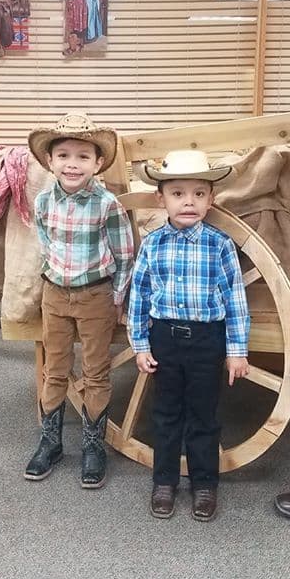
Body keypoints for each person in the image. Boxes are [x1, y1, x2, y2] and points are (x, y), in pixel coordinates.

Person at [127, 149, 250, 522]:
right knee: (164, 414)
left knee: (203, 415)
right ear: (160, 198)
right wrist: (140, 344)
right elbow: (140, 295)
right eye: (178, 193)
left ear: (211, 199)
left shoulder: (220, 245)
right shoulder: (152, 244)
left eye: (199, 193)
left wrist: (237, 351)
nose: (188, 202)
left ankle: (204, 485)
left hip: (206, 340)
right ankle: (163, 481)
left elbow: (235, 299)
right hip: (164, 338)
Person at [24, 112, 135, 488]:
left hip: (95, 296)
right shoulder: (43, 202)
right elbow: (45, 242)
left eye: (83, 156)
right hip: (54, 295)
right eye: (64, 155)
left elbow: (124, 255)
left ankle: (93, 446)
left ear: (98, 162)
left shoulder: (107, 205)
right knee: (54, 369)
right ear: (50, 161)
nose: (73, 164)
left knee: (95, 371)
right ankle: (51, 441)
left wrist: (117, 297)